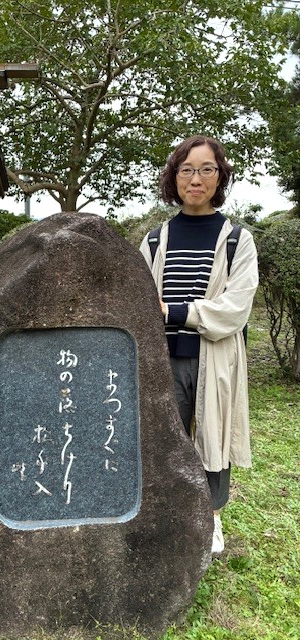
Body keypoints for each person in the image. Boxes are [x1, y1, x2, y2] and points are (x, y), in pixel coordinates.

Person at [140, 135, 258, 555]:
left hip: (215, 358)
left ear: (220, 177)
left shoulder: (237, 240)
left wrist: (174, 312)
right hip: (162, 360)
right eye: (187, 170)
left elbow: (235, 308)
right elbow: (140, 300)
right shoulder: (155, 240)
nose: (196, 179)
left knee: (213, 438)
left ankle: (211, 518)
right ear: (174, 178)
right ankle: (166, 514)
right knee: (163, 439)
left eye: (207, 169)